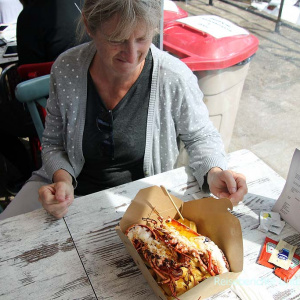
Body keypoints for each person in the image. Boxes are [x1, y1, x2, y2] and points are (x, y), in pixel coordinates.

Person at [0, 0, 247, 221]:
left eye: (141, 38)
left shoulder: (173, 76)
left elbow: (201, 136)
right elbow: (53, 143)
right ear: (89, 25)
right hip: (74, 196)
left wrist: (214, 171)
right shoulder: (67, 68)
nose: (131, 55)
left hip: (144, 203)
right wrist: (62, 179)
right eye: (116, 39)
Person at [16, 0, 89, 65]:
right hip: (91, 74)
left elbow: (28, 68)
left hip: (53, 77)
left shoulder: (28, 17)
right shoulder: (88, 4)